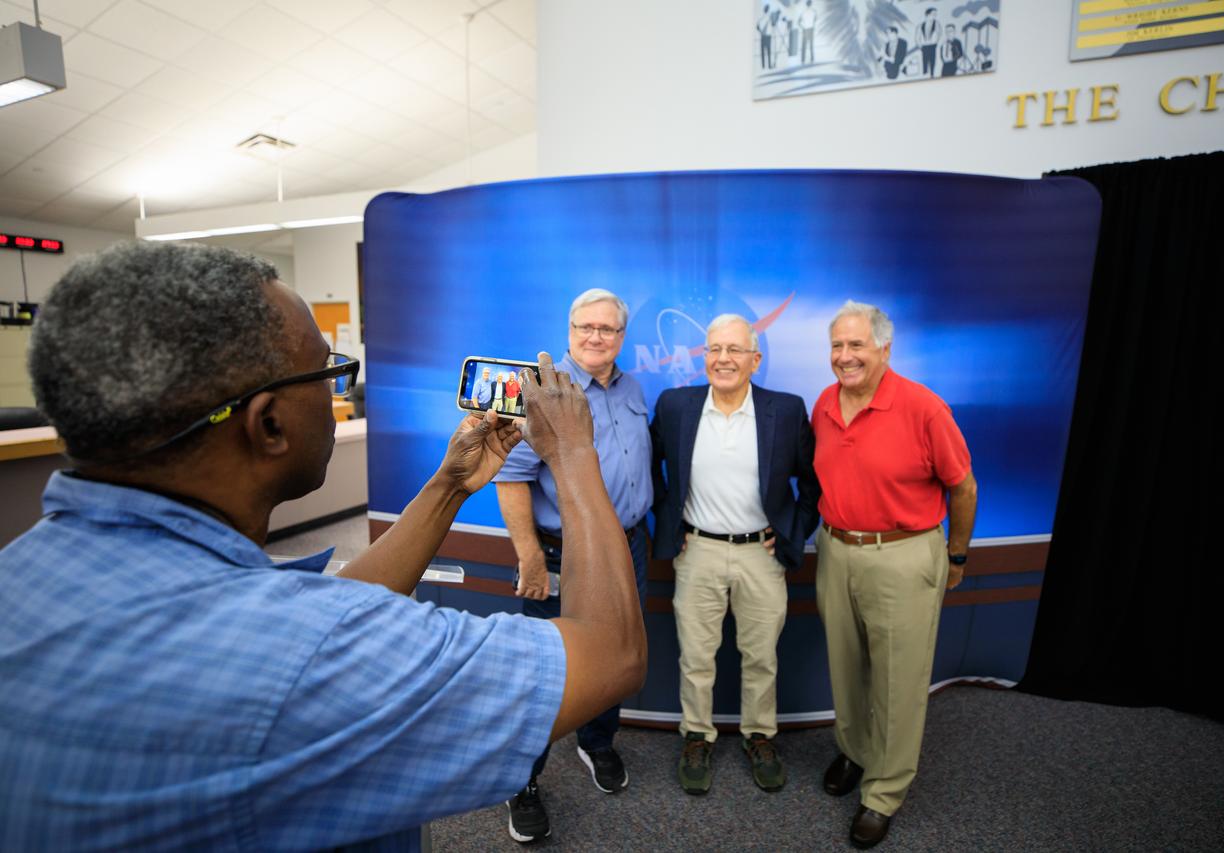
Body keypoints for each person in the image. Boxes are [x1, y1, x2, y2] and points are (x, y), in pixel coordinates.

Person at [0, 242, 647, 851]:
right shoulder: (307, 652)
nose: (338, 390)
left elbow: (326, 607)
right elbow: (612, 654)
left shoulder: (22, 575)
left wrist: (448, 487)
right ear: (270, 423)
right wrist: (574, 451)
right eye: (329, 371)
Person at [812, 301, 977, 849]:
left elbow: (964, 487)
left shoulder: (923, 408)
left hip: (903, 554)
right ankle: (856, 753)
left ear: (884, 348)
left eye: (856, 345)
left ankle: (883, 793)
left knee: (898, 680)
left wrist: (955, 557)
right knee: (847, 664)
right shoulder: (824, 405)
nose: (844, 356)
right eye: (837, 346)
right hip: (837, 550)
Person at [494, 287, 652, 843]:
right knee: (543, 673)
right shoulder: (541, 392)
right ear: (569, 331)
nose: (595, 337)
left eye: (607, 330)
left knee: (611, 657)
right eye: (585, 327)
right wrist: (530, 557)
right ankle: (523, 781)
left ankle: (597, 743)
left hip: (628, 546)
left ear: (621, 338)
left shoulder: (631, 387)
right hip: (561, 553)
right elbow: (510, 477)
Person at [650, 315, 820, 796]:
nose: (723, 359)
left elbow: (812, 483)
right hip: (697, 550)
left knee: (761, 656)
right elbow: (650, 467)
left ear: (755, 359)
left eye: (735, 350)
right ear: (704, 356)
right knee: (697, 657)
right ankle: (698, 737)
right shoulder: (676, 405)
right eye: (714, 349)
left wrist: (792, 532)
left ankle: (759, 736)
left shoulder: (785, 411)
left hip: (760, 557)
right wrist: (670, 523)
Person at [915, 7, 940, 78]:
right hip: (924, 47)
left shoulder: (936, 24)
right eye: (933, 14)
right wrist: (920, 46)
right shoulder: (921, 25)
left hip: (932, 46)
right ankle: (925, 74)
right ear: (927, 15)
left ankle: (932, 75)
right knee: (924, 61)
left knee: (932, 61)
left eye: (935, 14)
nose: (935, 16)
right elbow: (917, 37)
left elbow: (939, 34)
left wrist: (935, 41)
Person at [799, 0, 817, 64]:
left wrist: (803, 26)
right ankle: (812, 58)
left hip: (805, 29)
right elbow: (815, 19)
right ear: (811, 4)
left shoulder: (803, 12)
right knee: (811, 45)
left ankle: (803, 59)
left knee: (804, 45)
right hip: (811, 29)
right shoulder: (814, 11)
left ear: (806, 4)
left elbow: (799, 22)